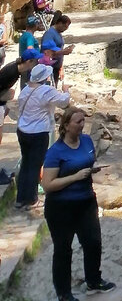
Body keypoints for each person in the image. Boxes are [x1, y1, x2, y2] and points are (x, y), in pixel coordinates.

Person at [42, 106, 116, 299]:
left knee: (93, 242)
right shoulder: (55, 152)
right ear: (66, 125)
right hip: (60, 207)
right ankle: (64, 294)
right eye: (78, 122)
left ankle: (94, 281)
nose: (82, 125)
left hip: (86, 202)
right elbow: (48, 184)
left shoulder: (86, 141)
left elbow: (88, 161)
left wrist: (92, 169)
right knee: (63, 250)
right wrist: (74, 177)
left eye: (84, 121)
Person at [15, 61, 70, 209]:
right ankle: (31, 200)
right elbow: (64, 102)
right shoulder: (46, 91)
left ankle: (20, 199)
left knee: (26, 163)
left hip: (22, 131)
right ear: (45, 77)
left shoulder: (25, 90)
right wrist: (66, 90)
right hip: (38, 132)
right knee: (35, 165)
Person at [41, 13, 74, 86]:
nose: (65, 29)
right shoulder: (50, 33)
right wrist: (63, 52)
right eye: (64, 26)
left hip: (56, 66)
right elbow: (48, 51)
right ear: (59, 23)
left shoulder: (58, 33)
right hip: (49, 67)